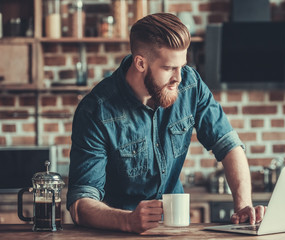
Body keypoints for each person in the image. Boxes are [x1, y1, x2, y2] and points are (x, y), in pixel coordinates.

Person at [67, 13, 265, 234]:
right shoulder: (95, 110)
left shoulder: (191, 84)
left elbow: (229, 146)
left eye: (182, 66)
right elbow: (80, 203)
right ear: (140, 63)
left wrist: (243, 204)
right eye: (169, 68)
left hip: (176, 229)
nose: (179, 78)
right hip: (117, 232)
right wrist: (128, 221)